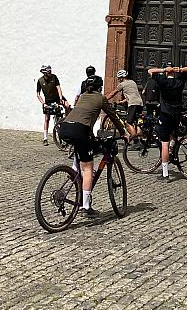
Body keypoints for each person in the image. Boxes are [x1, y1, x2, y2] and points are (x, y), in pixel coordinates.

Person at [59, 77, 128, 217]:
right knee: (88, 167)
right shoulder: (100, 98)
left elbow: (84, 117)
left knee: (84, 149)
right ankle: (86, 207)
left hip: (64, 128)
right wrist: (123, 132)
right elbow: (113, 116)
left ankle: (74, 172)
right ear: (100, 87)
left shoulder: (83, 96)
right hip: (79, 131)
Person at [147, 61, 187, 181]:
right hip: (176, 114)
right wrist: (177, 70)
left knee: (164, 143)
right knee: (173, 135)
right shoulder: (179, 82)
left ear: (167, 72)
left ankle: (165, 173)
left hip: (165, 114)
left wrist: (164, 70)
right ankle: (173, 151)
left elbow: (150, 71)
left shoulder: (163, 81)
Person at [107, 69, 144, 136]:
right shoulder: (132, 82)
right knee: (136, 122)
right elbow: (132, 95)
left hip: (133, 104)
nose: (118, 80)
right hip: (140, 103)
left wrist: (105, 99)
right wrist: (121, 102)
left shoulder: (122, 84)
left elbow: (113, 93)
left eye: (119, 78)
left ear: (121, 78)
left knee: (128, 123)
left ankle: (135, 141)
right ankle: (140, 139)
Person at [36, 65, 67, 145]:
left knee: (67, 106)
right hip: (48, 101)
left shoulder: (54, 77)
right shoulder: (40, 81)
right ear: (45, 73)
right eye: (49, 72)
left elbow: (58, 88)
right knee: (47, 119)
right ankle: (45, 138)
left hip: (57, 98)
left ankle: (66, 127)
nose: (51, 73)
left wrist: (60, 98)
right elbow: (38, 94)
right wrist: (43, 103)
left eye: (51, 71)